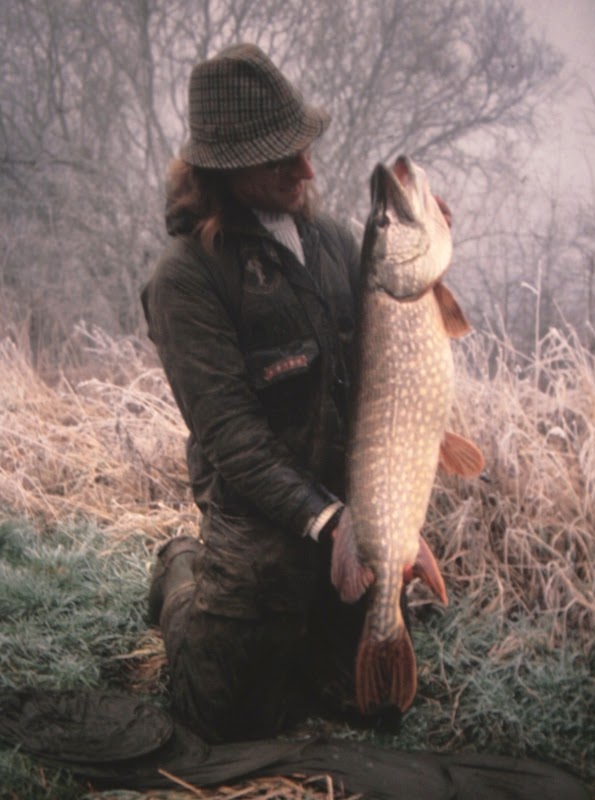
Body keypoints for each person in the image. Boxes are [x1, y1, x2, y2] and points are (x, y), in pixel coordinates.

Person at [141, 43, 368, 743]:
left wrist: (422, 259)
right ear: (224, 171)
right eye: (279, 161)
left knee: (367, 699)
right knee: (231, 720)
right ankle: (179, 571)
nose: (306, 171)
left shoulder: (334, 242)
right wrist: (325, 520)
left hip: (344, 506)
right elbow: (231, 437)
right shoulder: (186, 279)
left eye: (303, 150)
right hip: (257, 518)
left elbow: (386, 359)